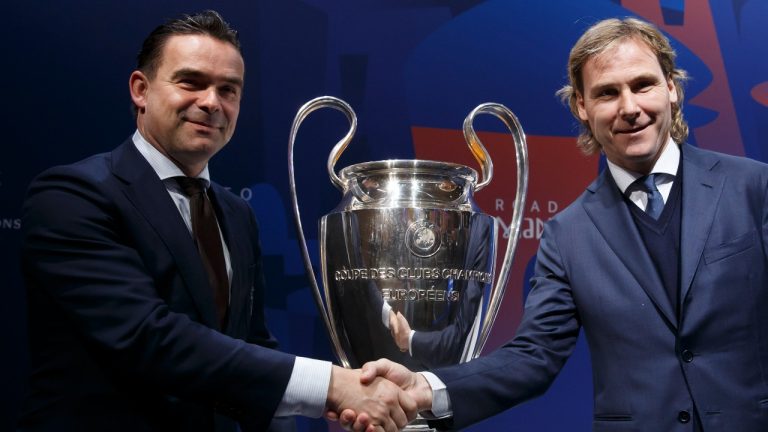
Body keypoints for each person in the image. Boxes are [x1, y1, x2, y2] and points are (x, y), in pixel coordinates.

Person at [340, 17, 768, 432]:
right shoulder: (568, 234)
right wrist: (425, 387)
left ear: (671, 88)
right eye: (607, 93)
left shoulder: (754, 187)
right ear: (582, 106)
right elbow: (534, 355)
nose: (630, 108)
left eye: (643, 85)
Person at [17, 10, 415, 432]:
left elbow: (252, 345)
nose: (211, 103)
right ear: (140, 90)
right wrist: (332, 386)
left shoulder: (236, 213)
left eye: (228, 90)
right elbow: (148, 339)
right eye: (191, 82)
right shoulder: (72, 196)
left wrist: (344, 399)